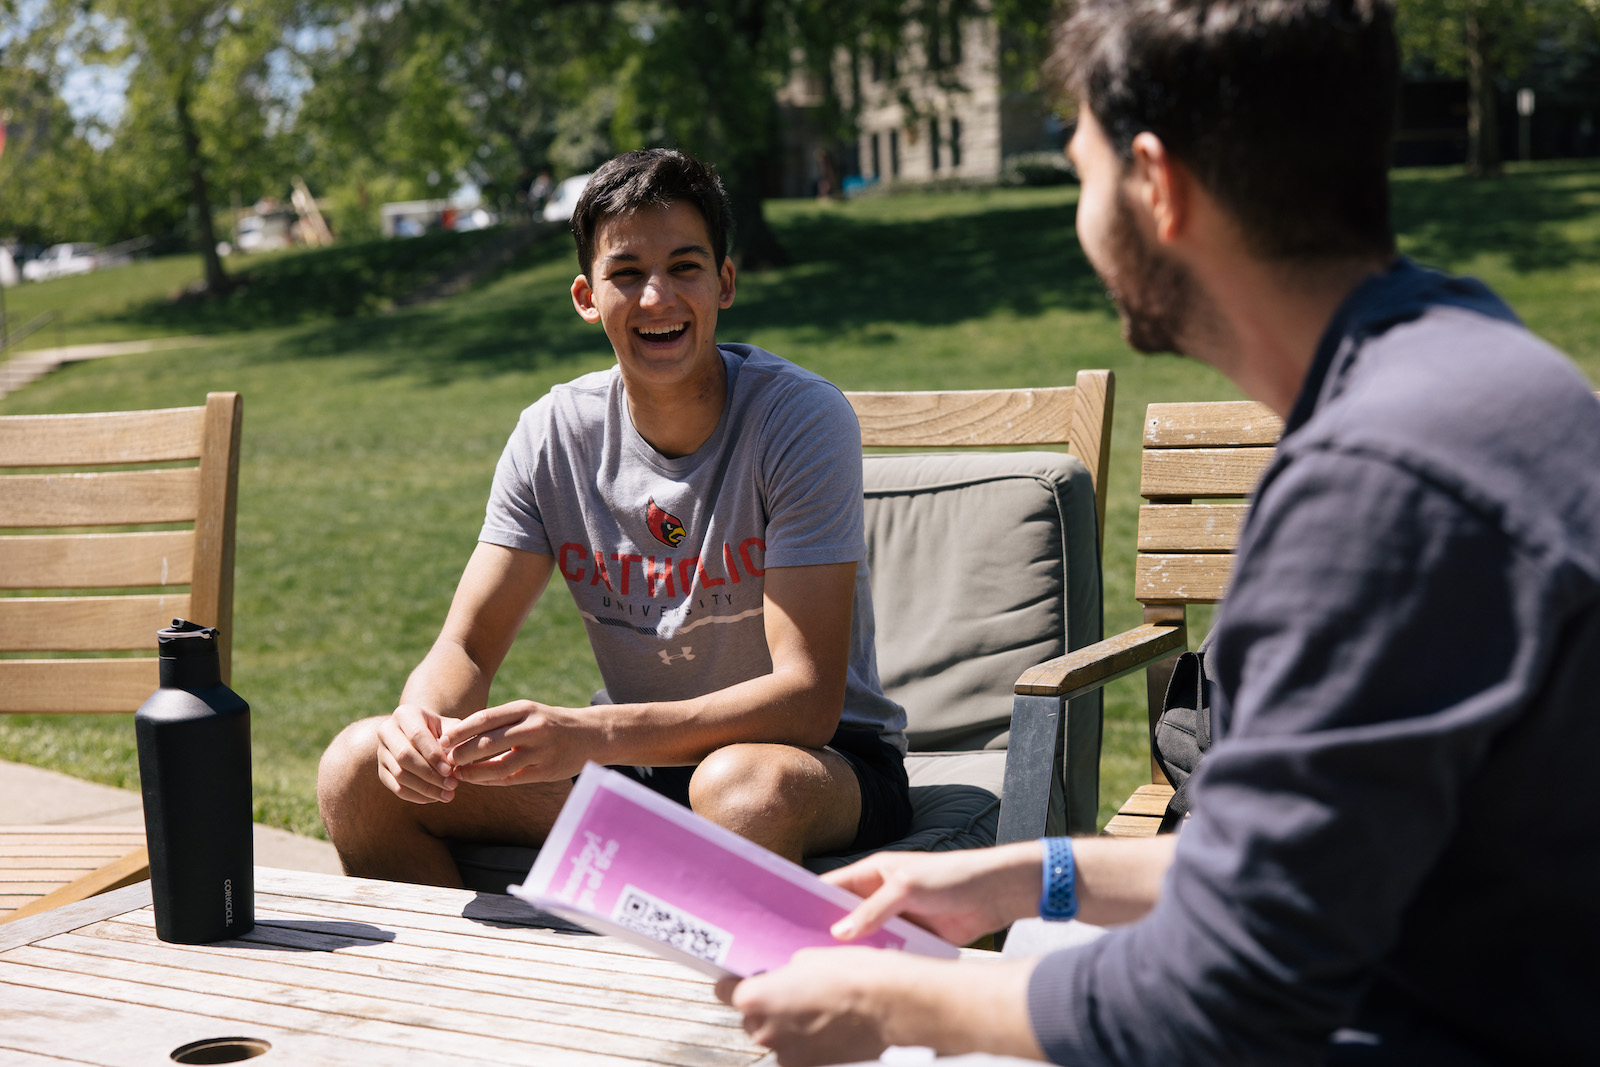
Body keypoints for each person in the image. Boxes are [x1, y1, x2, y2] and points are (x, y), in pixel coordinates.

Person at [716, 2, 1600, 1064]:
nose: (1079, 217)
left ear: (1156, 185)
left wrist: (897, 1003)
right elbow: (1296, 860)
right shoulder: (1466, 363)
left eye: (1079, 168)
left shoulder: (1373, 493)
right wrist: (1025, 872)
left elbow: (1226, 996)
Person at [317, 148, 910, 885]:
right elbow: (466, 648)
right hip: (637, 762)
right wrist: (418, 724)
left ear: (725, 283)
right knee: (357, 769)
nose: (657, 297)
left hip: (818, 765)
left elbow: (808, 700)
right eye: (626, 273)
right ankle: (460, 999)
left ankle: (706, 998)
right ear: (586, 296)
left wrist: (587, 734)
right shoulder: (553, 433)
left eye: (685, 266)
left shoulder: (799, 419)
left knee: (738, 791)